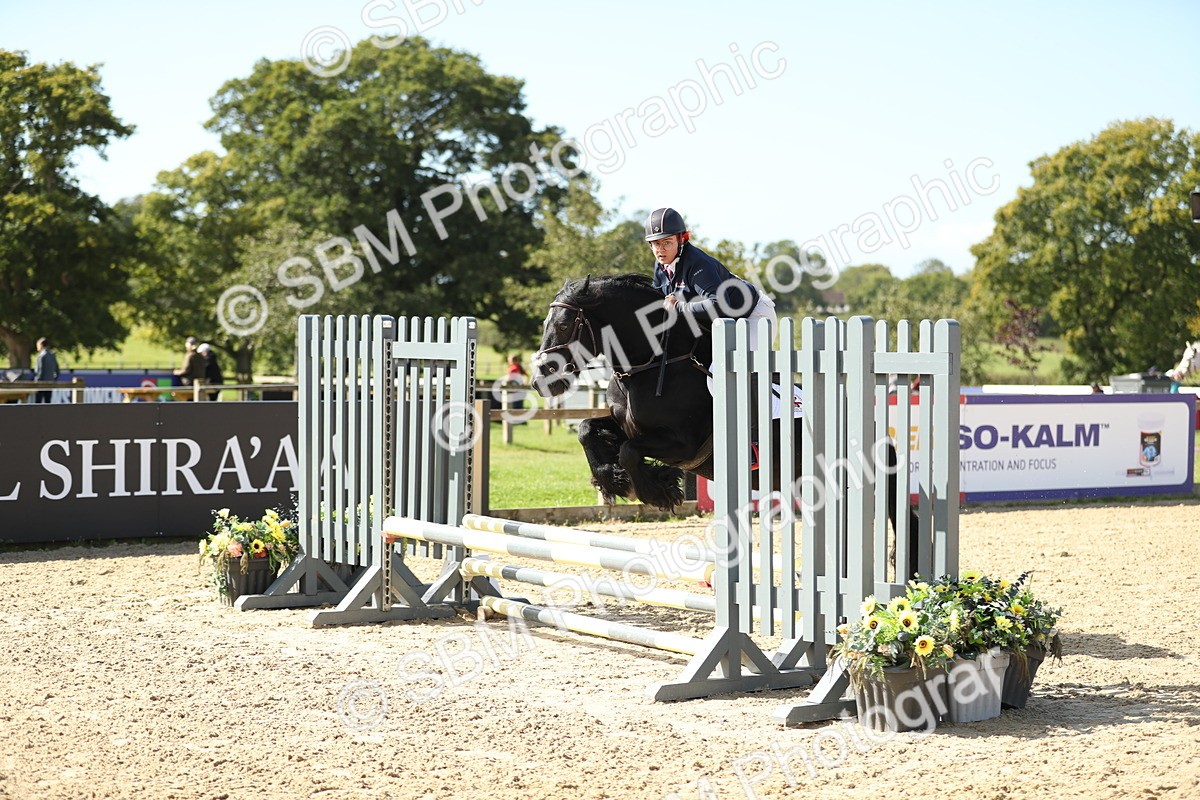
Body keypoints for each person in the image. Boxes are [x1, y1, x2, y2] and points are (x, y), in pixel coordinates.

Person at [645, 207, 777, 389]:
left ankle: (778, 403)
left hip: (753, 316)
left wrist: (679, 307)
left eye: (667, 242)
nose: (660, 250)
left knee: (721, 375)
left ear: (682, 239)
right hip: (721, 325)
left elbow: (719, 305)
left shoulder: (697, 263)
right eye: (655, 244)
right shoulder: (661, 266)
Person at [33, 337, 59, 404]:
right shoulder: (52, 356)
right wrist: (53, 379)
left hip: (41, 383)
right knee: (48, 402)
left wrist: (36, 381)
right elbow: (57, 371)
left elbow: (39, 371)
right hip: (50, 382)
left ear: (41, 345)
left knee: (38, 402)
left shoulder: (41, 356)